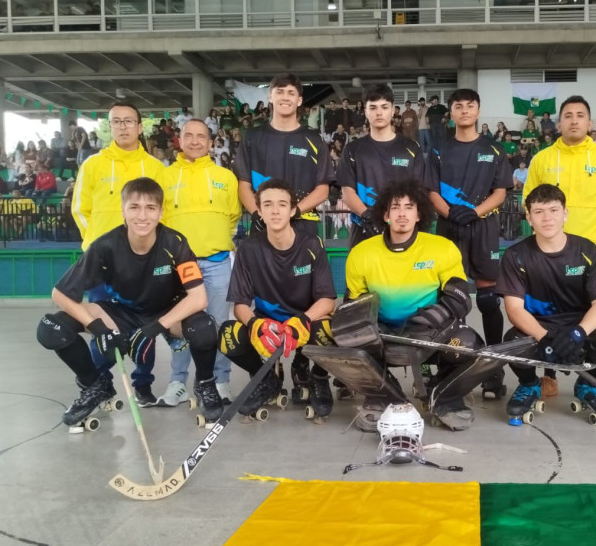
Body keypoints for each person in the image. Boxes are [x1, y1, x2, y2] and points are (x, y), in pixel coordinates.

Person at [35, 178, 222, 432]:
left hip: (166, 312)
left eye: (150, 208)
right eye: (134, 207)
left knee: (204, 327)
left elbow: (199, 298)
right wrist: (98, 327)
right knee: (50, 328)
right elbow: (60, 294)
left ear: (161, 212)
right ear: (123, 210)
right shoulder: (104, 246)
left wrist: (155, 328)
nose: (142, 215)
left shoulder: (175, 243)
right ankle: (95, 386)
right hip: (120, 312)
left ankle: (205, 384)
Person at [332, 180, 483, 431]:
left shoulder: (442, 248)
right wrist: (366, 327)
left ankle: (445, 396)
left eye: (409, 207)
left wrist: (433, 318)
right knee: (348, 337)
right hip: (382, 335)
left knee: (467, 345)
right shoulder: (361, 253)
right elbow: (353, 303)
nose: (402, 213)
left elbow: (460, 296)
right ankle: (382, 396)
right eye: (395, 207)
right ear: (385, 214)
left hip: (431, 333)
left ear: (419, 213)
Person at [497, 184, 596, 425]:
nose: (547, 218)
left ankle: (589, 384)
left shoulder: (588, 250)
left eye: (554, 210)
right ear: (529, 218)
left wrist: (578, 333)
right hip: (539, 326)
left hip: (579, 326)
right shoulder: (515, 256)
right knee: (512, 343)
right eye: (539, 212)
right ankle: (529, 385)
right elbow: (514, 309)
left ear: (565, 214)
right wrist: (545, 338)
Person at [218, 179, 337, 423]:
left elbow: (327, 301)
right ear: (258, 210)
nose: (275, 210)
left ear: (293, 210)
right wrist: (255, 325)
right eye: (268, 205)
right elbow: (240, 304)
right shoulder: (249, 249)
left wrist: (303, 319)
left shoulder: (312, 245)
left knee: (330, 330)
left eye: (282, 204)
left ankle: (317, 376)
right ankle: (265, 380)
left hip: (304, 320)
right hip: (267, 322)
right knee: (227, 335)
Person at [71, 100, 166, 405]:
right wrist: (96, 246)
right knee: (102, 325)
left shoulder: (153, 168)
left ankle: (143, 383)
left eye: (128, 121)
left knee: (144, 324)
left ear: (140, 127)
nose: (123, 126)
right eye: (116, 121)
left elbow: (163, 214)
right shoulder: (93, 164)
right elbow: (79, 209)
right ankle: (100, 382)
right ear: (108, 127)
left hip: (143, 261)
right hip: (101, 264)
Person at [426, 88, 513, 399]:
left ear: (478, 110)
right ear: (451, 112)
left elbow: (501, 191)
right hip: (449, 228)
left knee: (489, 300)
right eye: (458, 106)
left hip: (483, 227)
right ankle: (450, 365)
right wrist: (451, 213)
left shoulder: (495, 149)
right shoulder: (438, 151)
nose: (464, 110)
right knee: (450, 300)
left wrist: (474, 212)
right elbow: (431, 191)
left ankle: (493, 369)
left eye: (470, 106)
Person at [157, 119, 242, 408]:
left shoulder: (225, 177)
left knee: (218, 324)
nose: (195, 141)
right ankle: (178, 382)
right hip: (179, 266)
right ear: (179, 140)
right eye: (188, 136)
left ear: (210, 142)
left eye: (201, 137)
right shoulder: (165, 177)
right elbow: (161, 220)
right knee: (180, 324)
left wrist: (212, 241)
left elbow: (232, 217)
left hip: (217, 262)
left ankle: (220, 381)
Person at [233, 73, 334, 240]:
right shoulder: (252, 137)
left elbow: (323, 190)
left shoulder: (315, 140)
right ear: (270, 97)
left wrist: (294, 212)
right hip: (262, 224)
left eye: (291, 93)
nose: (285, 97)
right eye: (280, 92)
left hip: (302, 225)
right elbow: (243, 185)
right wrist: (258, 215)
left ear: (299, 100)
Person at [522, 95, 596, 253]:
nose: (574, 121)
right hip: (547, 245)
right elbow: (527, 200)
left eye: (580, 115)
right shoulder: (541, 159)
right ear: (559, 125)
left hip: (594, 244)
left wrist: (595, 215)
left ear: (589, 123)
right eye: (568, 116)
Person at [337, 84, 428, 249]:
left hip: (402, 231)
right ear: (365, 111)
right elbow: (347, 192)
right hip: (364, 229)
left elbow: (419, 192)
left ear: (393, 110)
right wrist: (367, 216)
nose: (379, 112)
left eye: (384, 107)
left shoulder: (411, 148)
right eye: (373, 107)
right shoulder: (352, 149)